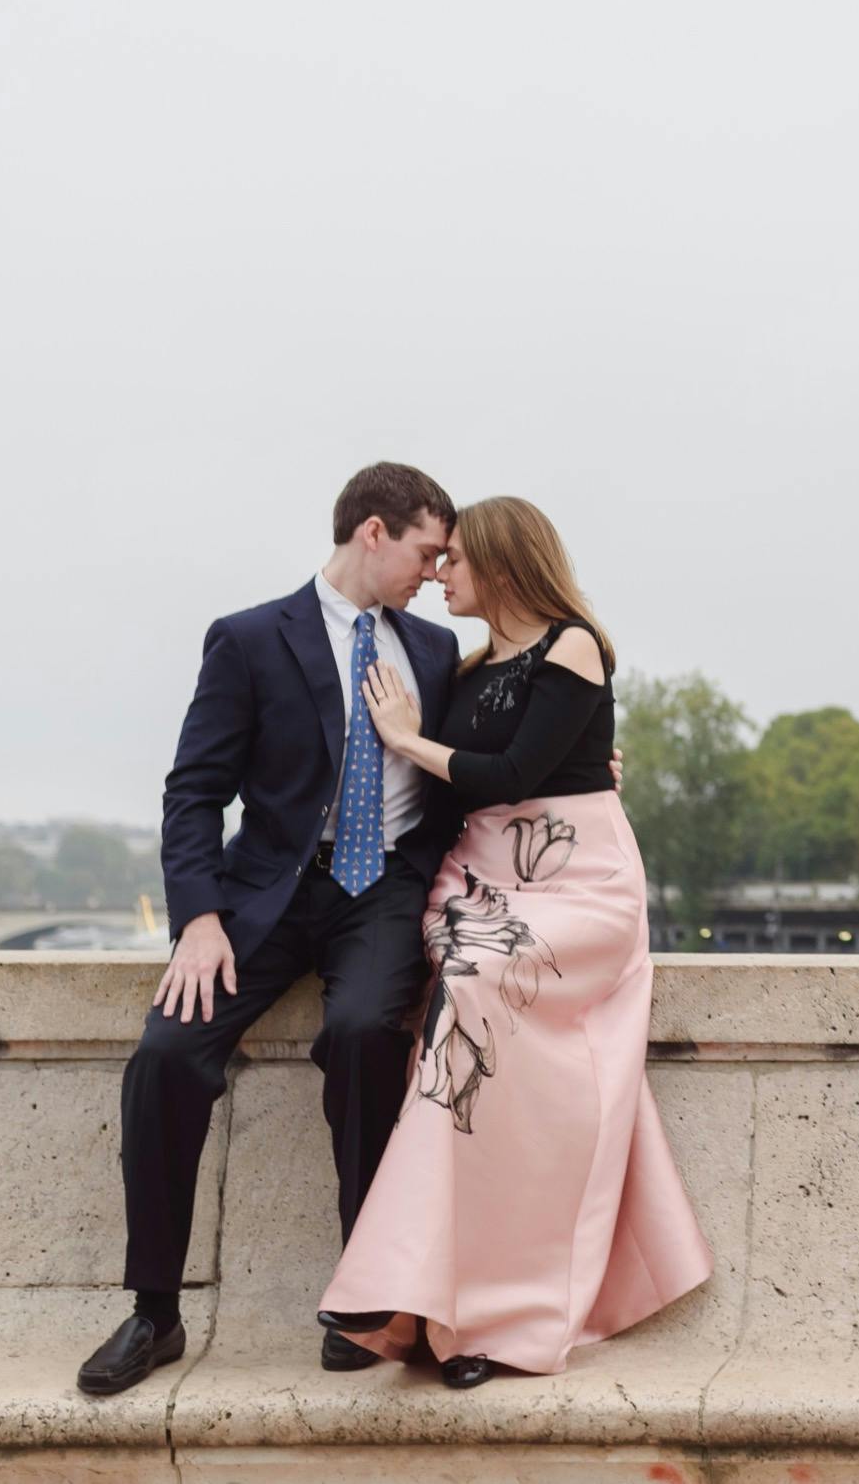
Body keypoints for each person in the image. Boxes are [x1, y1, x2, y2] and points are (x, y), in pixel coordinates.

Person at [80, 462, 467, 1396]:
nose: (433, 573)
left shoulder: (439, 653)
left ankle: (368, 1299)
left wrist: (587, 767)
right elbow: (194, 792)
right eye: (426, 551)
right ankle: (155, 1311)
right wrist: (200, 916)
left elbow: (488, 760)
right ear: (372, 532)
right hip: (265, 894)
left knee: (366, 1033)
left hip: (385, 891)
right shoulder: (251, 639)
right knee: (167, 1056)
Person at [316, 495, 709, 1387]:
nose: (440, 574)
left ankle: (477, 1315)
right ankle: (437, 1307)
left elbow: (517, 774)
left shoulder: (574, 642)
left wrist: (407, 738)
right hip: (482, 880)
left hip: (580, 884)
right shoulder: (462, 670)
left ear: (498, 561)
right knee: (467, 986)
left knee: (472, 990)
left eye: (454, 560)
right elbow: (463, 794)